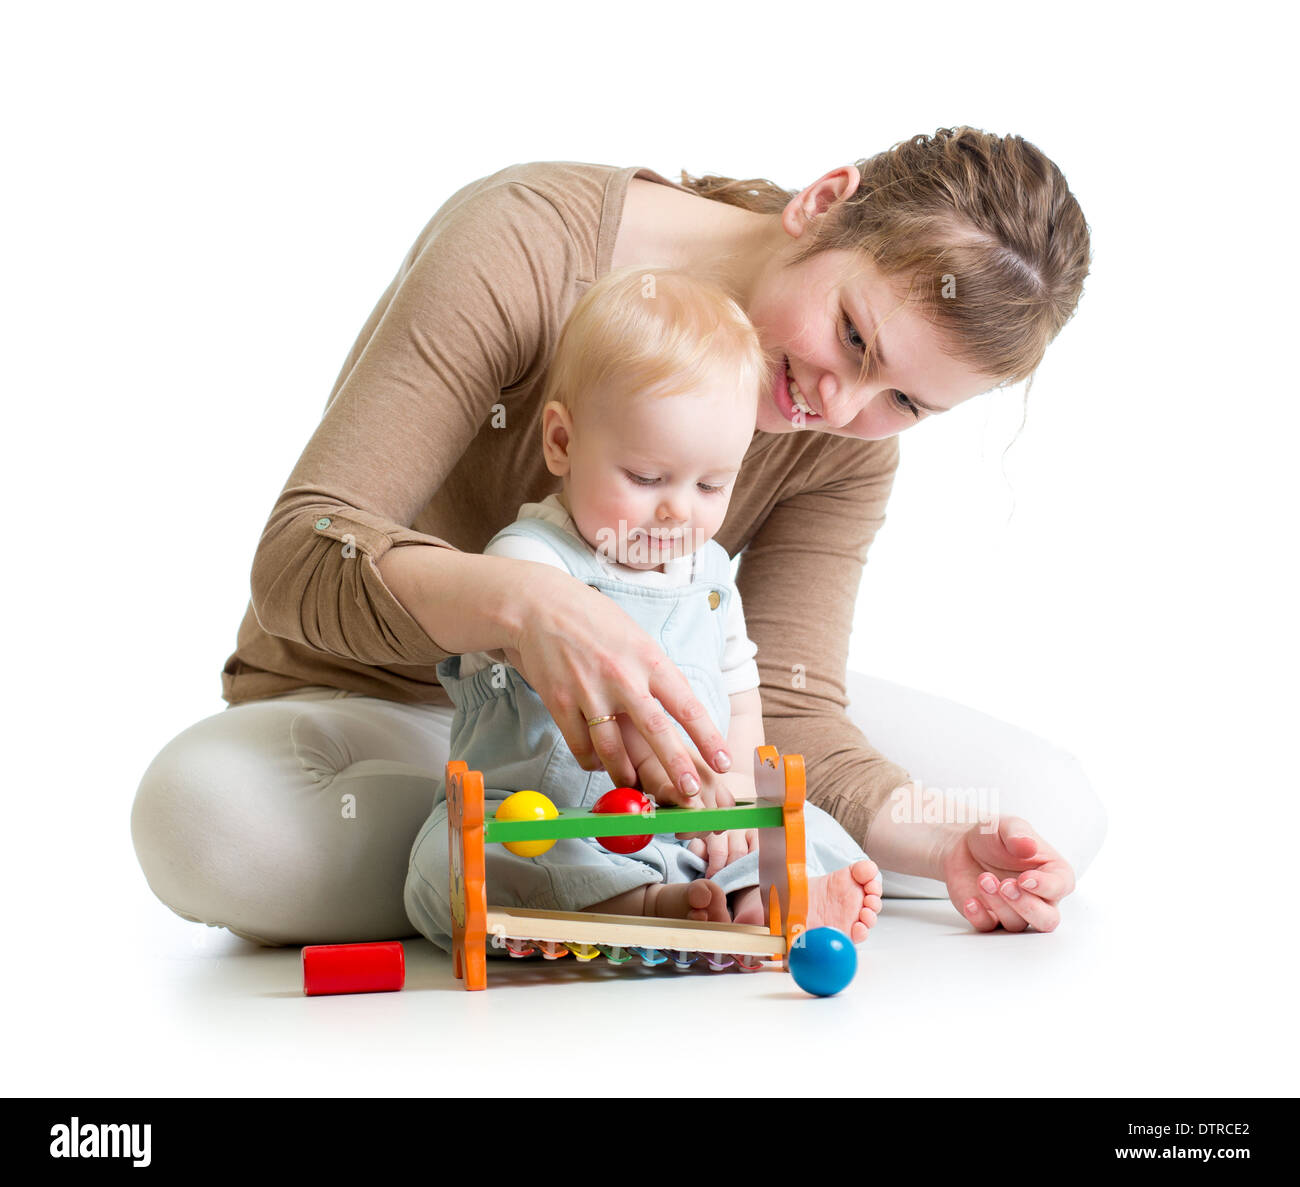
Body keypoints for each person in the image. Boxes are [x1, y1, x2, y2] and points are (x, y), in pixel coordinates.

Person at [131, 127, 1106, 948]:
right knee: (207, 820)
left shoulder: (844, 443)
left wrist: (941, 850)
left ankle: (609, 877)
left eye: (903, 399)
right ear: (824, 202)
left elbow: (787, 709)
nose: (836, 403)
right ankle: (524, 851)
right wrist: (525, 607)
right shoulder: (526, 244)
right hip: (395, 710)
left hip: (661, 753)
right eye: (853, 336)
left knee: (1041, 809)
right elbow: (302, 554)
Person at [403, 266, 881, 952]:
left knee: (805, 823)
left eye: (712, 483)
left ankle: (755, 899)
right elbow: (606, 699)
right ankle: (651, 907)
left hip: (685, 836)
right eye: (647, 478)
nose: (677, 509)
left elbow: (740, 700)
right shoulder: (529, 562)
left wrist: (735, 795)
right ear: (562, 442)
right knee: (458, 858)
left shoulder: (712, 577)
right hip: (553, 826)